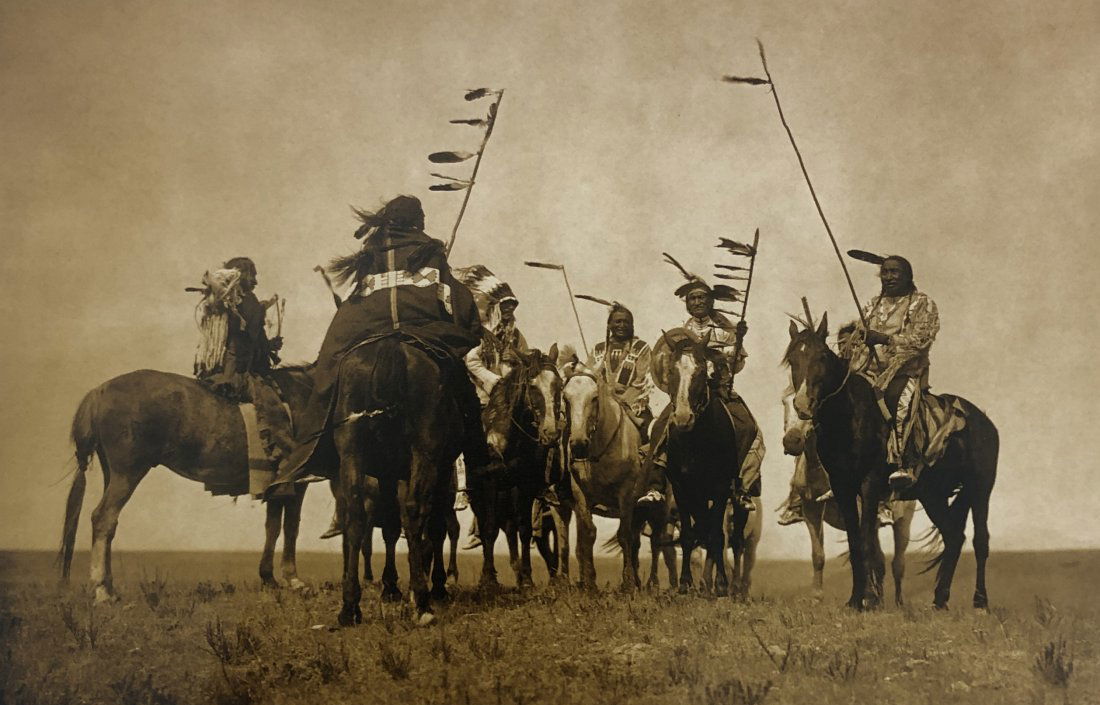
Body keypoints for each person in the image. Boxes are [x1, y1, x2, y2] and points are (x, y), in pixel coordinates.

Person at [271, 195, 495, 525]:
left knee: (329, 373)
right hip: (421, 332)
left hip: (368, 330)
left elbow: (356, 302)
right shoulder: (430, 250)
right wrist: (464, 322)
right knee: (462, 393)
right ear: (417, 221)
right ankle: (479, 461)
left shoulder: (371, 254)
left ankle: (312, 452)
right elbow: (456, 302)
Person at [638, 278, 762, 511]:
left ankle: (743, 487)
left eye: (702, 297)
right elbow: (666, 360)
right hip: (688, 392)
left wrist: (738, 341)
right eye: (693, 298)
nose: (697, 302)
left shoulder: (726, 329)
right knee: (659, 427)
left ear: (711, 300)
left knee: (748, 427)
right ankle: (655, 486)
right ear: (687, 303)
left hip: (719, 390)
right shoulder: (678, 330)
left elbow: (736, 364)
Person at [842, 255, 939, 490]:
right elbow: (859, 335)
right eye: (885, 272)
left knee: (899, 403)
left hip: (904, 370)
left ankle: (903, 462)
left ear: (908, 275)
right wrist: (854, 337)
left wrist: (884, 338)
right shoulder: (872, 305)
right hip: (868, 370)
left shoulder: (922, 303)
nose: (889, 277)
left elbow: (921, 338)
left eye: (895, 272)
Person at [455, 266, 529, 548]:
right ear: (495, 306)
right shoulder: (479, 334)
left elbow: (522, 362)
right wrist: (495, 382)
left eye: (512, 306)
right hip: (480, 398)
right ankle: (461, 489)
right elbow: (471, 362)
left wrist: (515, 376)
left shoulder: (516, 335)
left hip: (508, 403)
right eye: (505, 305)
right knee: (462, 441)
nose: (509, 311)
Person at [196, 257, 282, 401]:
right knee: (274, 407)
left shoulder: (228, 304)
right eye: (252, 276)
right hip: (238, 372)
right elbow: (250, 339)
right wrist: (269, 346)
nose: (255, 281)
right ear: (241, 275)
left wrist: (270, 345)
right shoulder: (247, 302)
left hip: (218, 370)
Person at [588, 301, 654, 443]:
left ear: (632, 325)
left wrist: (621, 401)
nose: (622, 325)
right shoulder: (598, 349)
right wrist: (608, 392)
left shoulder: (642, 348)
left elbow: (641, 381)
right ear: (609, 325)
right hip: (602, 407)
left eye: (626, 322)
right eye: (617, 321)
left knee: (649, 434)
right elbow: (591, 379)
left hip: (632, 406)